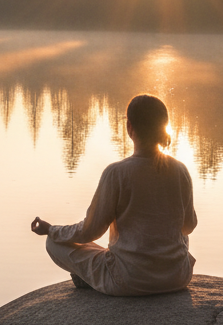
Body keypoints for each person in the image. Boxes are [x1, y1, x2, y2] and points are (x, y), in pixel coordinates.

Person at [30, 94, 196, 296]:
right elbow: (189, 226)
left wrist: (53, 230)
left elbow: (90, 231)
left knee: (54, 243)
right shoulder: (180, 170)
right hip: (177, 277)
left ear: (130, 128)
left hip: (128, 280)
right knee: (179, 237)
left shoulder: (116, 173)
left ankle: (91, 277)